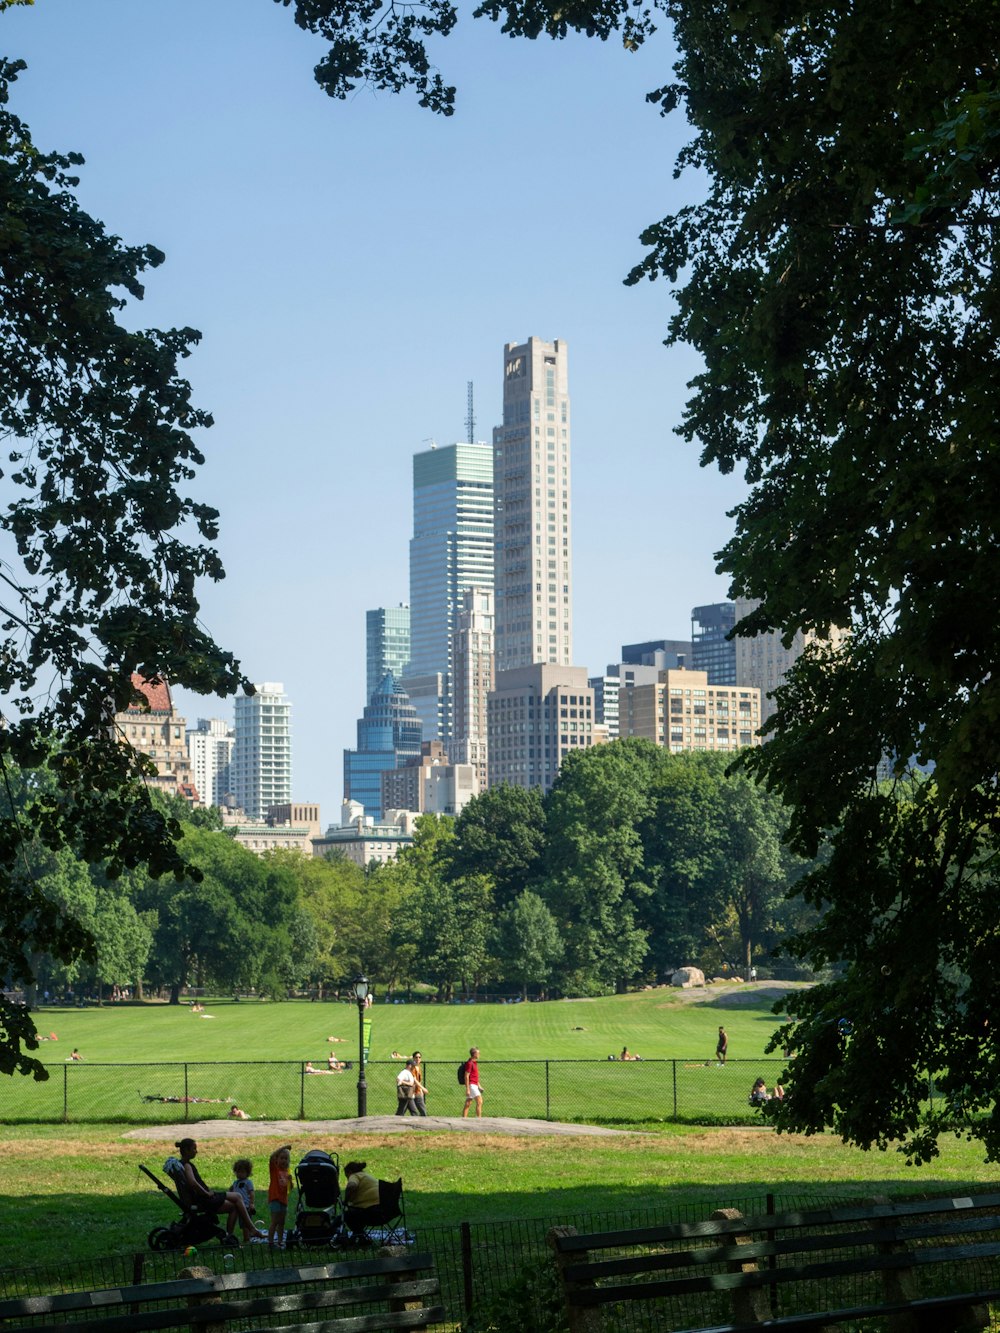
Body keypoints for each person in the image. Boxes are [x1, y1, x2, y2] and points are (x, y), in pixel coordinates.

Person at [174, 1138, 264, 1243]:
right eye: (194, 1149)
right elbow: (192, 1183)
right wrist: (206, 1193)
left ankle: (236, 1234)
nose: (196, 1151)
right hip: (204, 1199)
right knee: (237, 1198)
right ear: (186, 1150)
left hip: (203, 1197)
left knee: (235, 1202)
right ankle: (247, 1230)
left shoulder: (183, 1164)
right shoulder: (187, 1165)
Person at [343, 1159, 380, 1235]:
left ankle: (361, 1236)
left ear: (349, 1172)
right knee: (356, 1214)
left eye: (346, 1176)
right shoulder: (365, 1175)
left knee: (347, 1215)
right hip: (384, 1211)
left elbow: (351, 1186)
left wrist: (346, 1200)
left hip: (371, 1211)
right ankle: (361, 1238)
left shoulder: (354, 1175)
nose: (347, 1178)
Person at [268, 1143, 293, 1248]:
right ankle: (270, 1242)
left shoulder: (287, 1172)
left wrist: (291, 1182)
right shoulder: (275, 1170)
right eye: (281, 1158)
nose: (284, 1160)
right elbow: (271, 1156)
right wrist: (284, 1147)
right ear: (277, 1160)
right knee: (275, 1221)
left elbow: (290, 1189)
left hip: (283, 1200)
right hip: (275, 1199)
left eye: (286, 1158)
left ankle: (279, 1241)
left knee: (282, 1222)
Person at [228, 1158, 256, 1235]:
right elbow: (231, 1191)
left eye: (242, 1172)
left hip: (246, 1206)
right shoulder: (235, 1183)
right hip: (238, 1206)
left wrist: (251, 1203)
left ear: (247, 1173)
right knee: (241, 1223)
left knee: (245, 1224)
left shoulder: (248, 1182)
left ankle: (247, 1238)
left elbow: (251, 1193)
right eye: (238, 1172)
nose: (239, 1174)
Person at [462, 1046, 483, 1118]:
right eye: (478, 1053)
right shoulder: (470, 1063)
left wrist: (479, 1086)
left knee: (468, 1103)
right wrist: (467, 1089)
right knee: (479, 1101)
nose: (479, 1054)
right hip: (471, 1085)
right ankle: (479, 1119)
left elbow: (475, 1076)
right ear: (474, 1054)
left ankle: (463, 1119)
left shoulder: (474, 1063)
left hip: (474, 1085)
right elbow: (466, 1076)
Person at [411, 1051, 427, 1116]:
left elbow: (419, 1080)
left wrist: (421, 1090)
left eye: (419, 1057)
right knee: (423, 1112)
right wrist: (423, 1088)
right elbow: (414, 1080)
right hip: (413, 1092)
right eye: (416, 1057)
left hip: (417, 1092)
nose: (418, 1059)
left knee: (416, 1112)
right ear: (413, 1058)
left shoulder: (418, 1067)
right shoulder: (413, 1068)